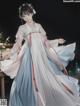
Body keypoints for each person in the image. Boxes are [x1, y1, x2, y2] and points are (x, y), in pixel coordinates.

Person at [0, 3, 80, 106]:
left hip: (40, 57)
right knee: (25, 84)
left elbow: (45, 43)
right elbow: (18, 44)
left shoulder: (38, 26)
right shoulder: (22, 28)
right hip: (28, 58)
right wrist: (8, 54)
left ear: (32, 13)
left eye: (28, 14)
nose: (26, 17)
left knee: (45, 83)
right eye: (23, 16)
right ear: (21, 17)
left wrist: (56, 41)